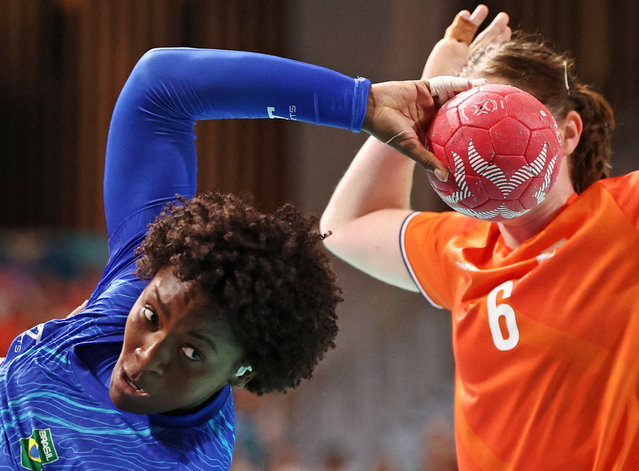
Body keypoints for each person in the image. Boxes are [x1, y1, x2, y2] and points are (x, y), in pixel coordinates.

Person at [0, 48, 476, 469]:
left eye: (192, 353)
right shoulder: (140, 285)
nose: (147, 358)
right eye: (150, 315)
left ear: (242, 371)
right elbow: (158, 86)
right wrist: (361, 104)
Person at [321, 4, 638, 470]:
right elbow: (344, 224)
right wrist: (423, 95)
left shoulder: (624, 214)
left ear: (569, 132)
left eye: (509, 121)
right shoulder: (462, 250)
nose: (486, 147)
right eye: (462, 129)